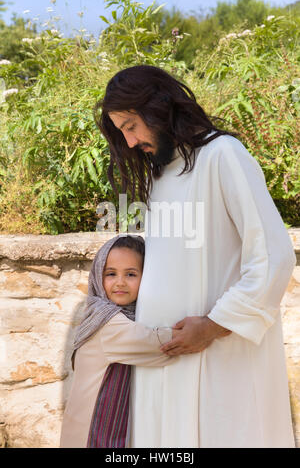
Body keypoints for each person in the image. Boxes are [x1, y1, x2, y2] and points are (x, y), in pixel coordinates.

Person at [94, 65, 297, 448]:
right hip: (164, 365)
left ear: (158, 108)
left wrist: (214, 325)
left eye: (132, 125)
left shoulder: (223, 155)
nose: (131, 141)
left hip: (221, 358)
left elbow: (272, 257)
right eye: (122, 131)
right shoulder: (161, 174)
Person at [59, 234, 178, 448]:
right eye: (111, 274)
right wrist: (209, 326)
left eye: (131, 274)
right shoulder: (108, 323)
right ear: (97, 276)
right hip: (92, 437)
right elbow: (163, 345)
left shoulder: (103, 314)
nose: (120, 282)